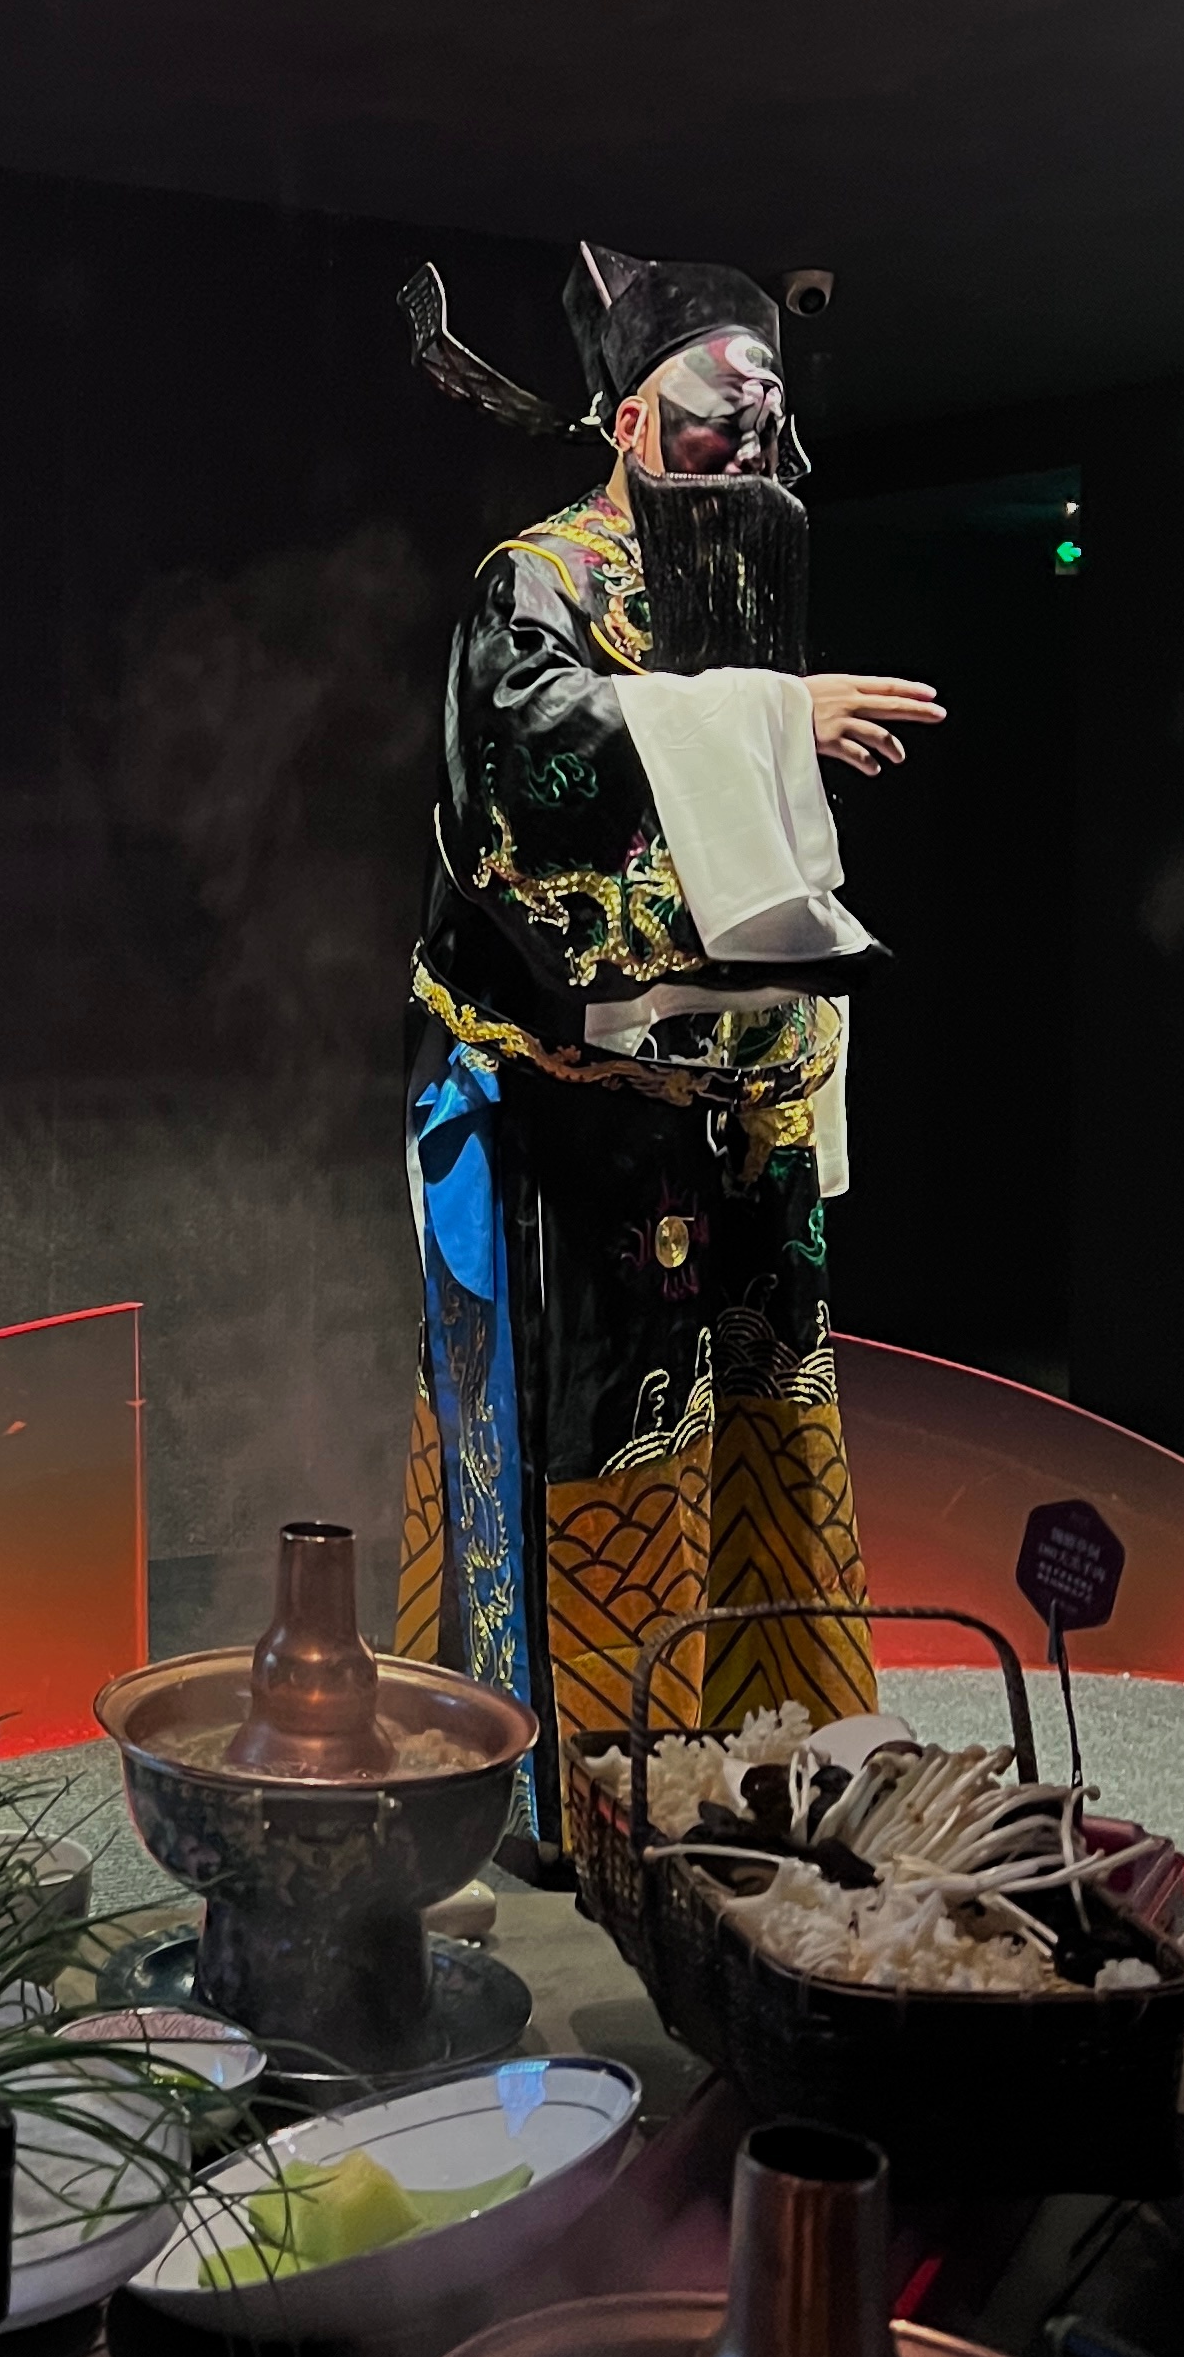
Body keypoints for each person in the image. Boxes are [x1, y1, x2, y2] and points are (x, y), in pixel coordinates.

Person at [391, 243, 943, 1850]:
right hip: (569, 1107)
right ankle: (579, 1787)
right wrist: (770, 718)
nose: (753, 431)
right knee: (597, 1423)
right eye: (720, 402)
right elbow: (525, 758)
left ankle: (768, 1747)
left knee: (763, 1404)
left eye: (771, 408)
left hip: (730, 1095)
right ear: (630, 419)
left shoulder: (737, 578)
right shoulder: (539, 581)